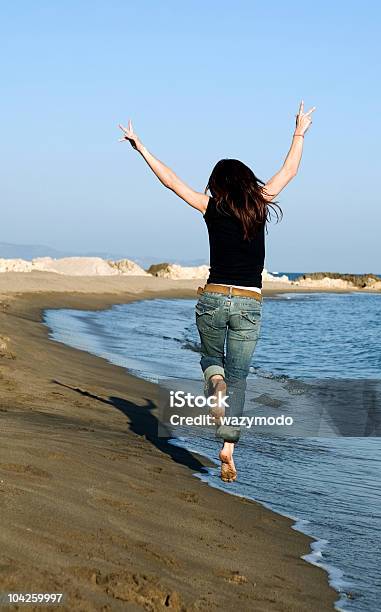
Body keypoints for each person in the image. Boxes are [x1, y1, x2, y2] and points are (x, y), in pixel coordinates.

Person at [118, 100, 315, 482]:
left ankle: (214, 382)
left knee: (212, 359)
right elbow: (290, 170)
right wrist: (299, 131)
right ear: (246, 181)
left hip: (213, 296)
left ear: (219, 184)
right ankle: (227, 446)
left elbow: (171, 181)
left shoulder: (209, 207)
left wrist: (141, 147)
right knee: (240, 376)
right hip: (249, 302)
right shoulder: (261, 202)